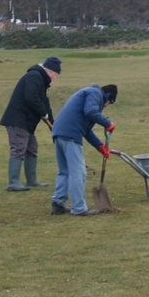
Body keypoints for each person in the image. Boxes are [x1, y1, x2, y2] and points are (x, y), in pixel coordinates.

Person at [51, 83, 117, 216]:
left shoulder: (87, 94)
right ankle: (79, 208)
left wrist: (100, 147)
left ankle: (58, 204)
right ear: (108, 97)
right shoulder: (95, 94)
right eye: (109, 103)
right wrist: (108, 123)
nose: (106, 106)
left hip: (59, 132)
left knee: (65, 171)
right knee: (78, 172)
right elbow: (91, 112)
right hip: (70, 134)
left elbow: (86, 130)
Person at [0, 56, 60, 191]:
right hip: (18, 120)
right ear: (50, 71)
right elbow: (31, 98)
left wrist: (52, 123)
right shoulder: (34, 76)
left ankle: (32, 181)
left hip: (27, 122)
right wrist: (43, 113)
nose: (55, 78)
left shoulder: (42, 81)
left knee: (32, 148)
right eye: (56, 75)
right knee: (19, 148)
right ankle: (13, 183)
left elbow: (44, 102)